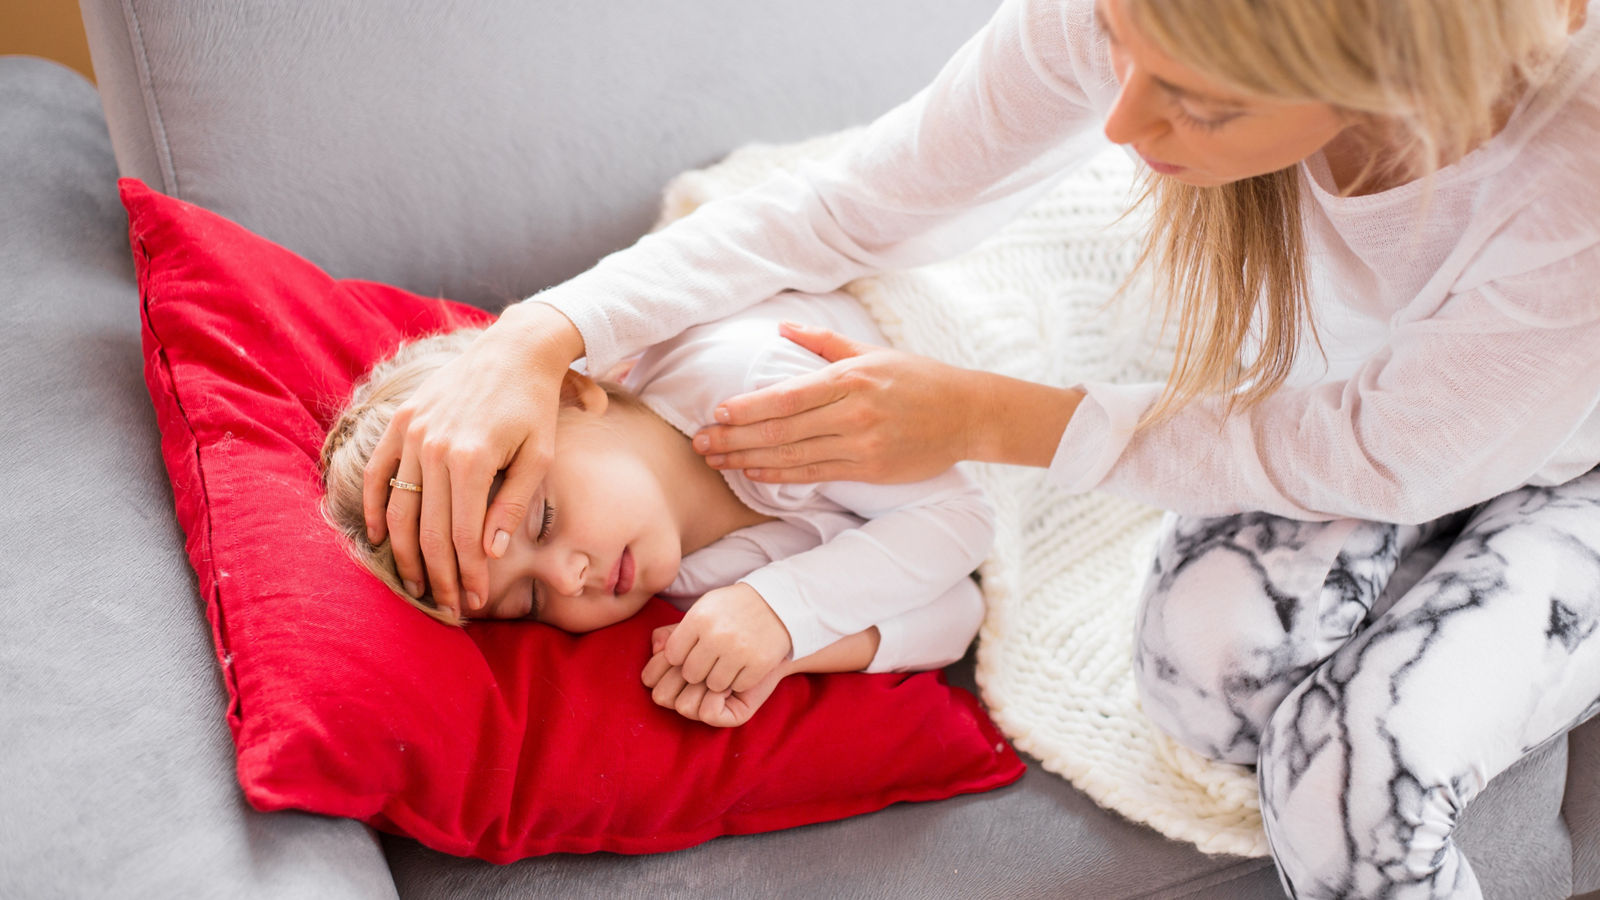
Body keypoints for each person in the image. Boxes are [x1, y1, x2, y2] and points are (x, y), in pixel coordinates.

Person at [361, 0, 1598, 895]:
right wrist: (528, 337)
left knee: (1359, 768)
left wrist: (982, 422)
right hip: (1373, 418)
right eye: (1119, 40)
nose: (1120, 126)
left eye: (1201, 103)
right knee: (1207, 680)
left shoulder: (1567, 173)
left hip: (1538, 452)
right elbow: (851, 206)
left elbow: (1382, 457)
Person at [321, 291, 992, 727]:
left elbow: (969, 517)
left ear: (576, 393)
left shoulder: (756, 387)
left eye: (541, 520)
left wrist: (785, 609)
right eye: (526, 602)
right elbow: (959, 609)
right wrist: (782, 649)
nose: (564, 580)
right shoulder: (686, 580)